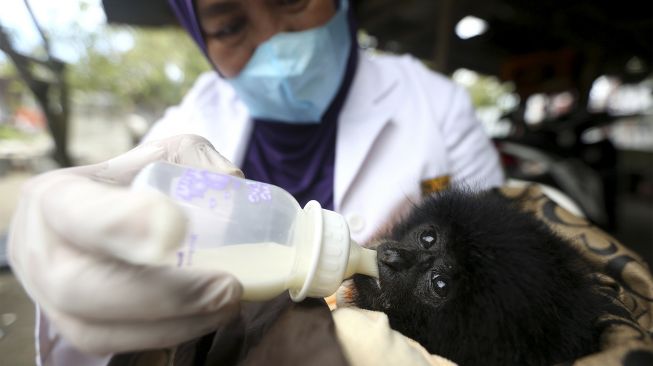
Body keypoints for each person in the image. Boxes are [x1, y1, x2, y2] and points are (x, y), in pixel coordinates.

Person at [8, 0, 504, 365]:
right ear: (201, 38)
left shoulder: (438, 107)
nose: (275, 41)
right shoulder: (188, 122)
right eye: (229, 26)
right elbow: (119, 268)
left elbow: (495, 266)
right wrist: (79, 261)